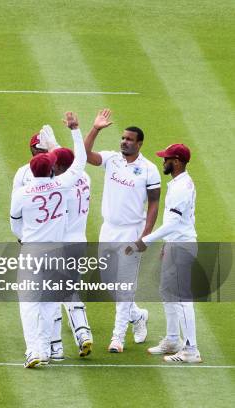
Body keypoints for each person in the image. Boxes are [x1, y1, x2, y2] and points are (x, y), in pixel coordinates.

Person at [10, 112, 87, 368]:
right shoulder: (61, 185)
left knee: (29, 304)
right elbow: (80, 163)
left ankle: (36, 350)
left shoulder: (22, 192)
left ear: (31, 169)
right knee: (50, 304)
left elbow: (14, 224)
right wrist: (75, 131)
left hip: (32, 252)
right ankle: (46, 348)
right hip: (57, 253)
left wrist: (25, 237)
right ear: (51, 169)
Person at [84, 109, 161, 353]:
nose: (124, 142)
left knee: (125, 286)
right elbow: (85, 155)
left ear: (139, 144)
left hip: (131, 232)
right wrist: (95, 128)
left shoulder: (149, 169)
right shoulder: (111, 159)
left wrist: (145, 236)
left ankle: (117, 337)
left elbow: (154, 204)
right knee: (109, 284)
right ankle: (138, 316)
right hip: (108, 230)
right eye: (123, 138)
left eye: (129, 139)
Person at [126, 144, 201, 363]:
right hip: (175, 245)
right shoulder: (178, 183)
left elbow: (173, 223)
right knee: (168, 292)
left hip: (182, 247)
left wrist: (144, 241)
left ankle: (191, 350)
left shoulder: (181, 188)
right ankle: (172, 340)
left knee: (182, 298)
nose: (163, 161)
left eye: (166, 158)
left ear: (176, 161)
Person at [48, 147, 93, 360]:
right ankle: (83, 332)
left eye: (54, 163)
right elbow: (73, 163)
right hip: (80, 243)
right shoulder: (85, 177)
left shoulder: (60, 187)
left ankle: (55, 347)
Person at [12, 125, 60, 191]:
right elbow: (16, 195)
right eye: (37, 147)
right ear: (31, 148)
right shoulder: (22, 172)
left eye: (43, 147)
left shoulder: (59, 169)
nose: (40, 150)